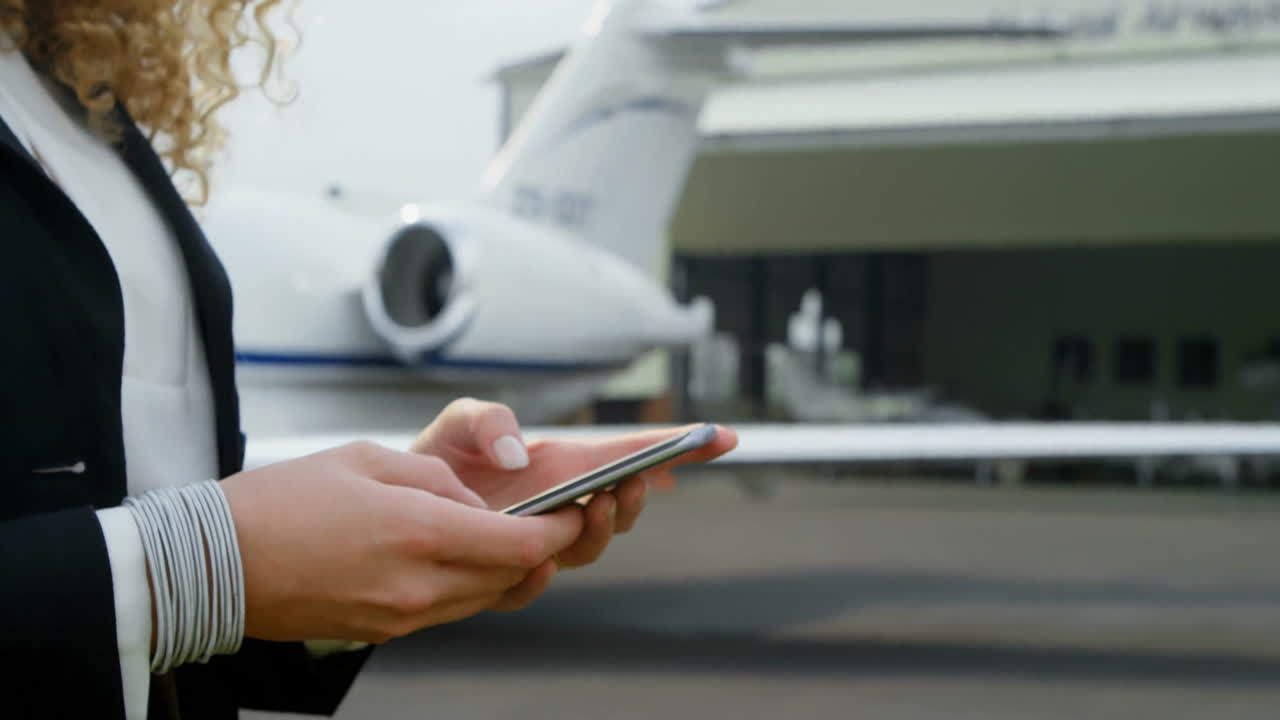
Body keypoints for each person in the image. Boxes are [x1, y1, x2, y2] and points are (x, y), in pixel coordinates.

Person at [0, 2, 737, 718]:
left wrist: (387, 531)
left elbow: (148, 529)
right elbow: (175, 553)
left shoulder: (67, 103)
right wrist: (202, 565)